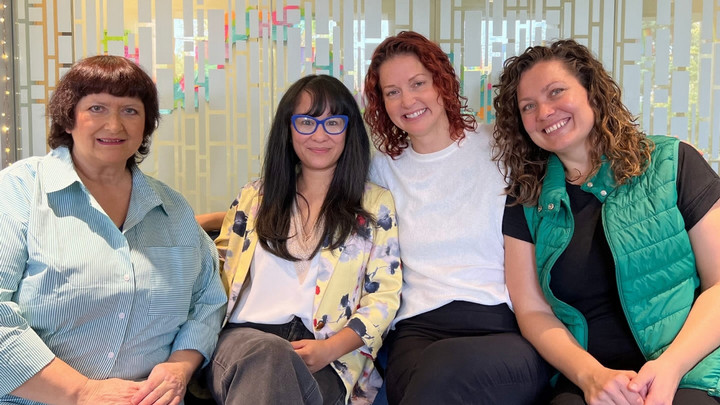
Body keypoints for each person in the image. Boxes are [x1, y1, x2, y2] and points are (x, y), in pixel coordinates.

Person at [493, 38, 720, 404]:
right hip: (591, 380)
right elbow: (532, 310)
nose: (544, 112)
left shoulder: (673, 162)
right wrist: (591, 377)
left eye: (556, 92)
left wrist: (671, 367)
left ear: (592, 93)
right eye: (528, 106)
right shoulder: (527, 198)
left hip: (690, 368)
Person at [0, 55, 227, 405]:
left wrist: (181, 366)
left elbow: (208, 301)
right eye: (97, 108)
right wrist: (81, 392)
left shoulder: (173, 209)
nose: (115, 125)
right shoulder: (18, 191)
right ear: (69, 117)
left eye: (130, 111)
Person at [363, 30, 550, 404]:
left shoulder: (500, 147)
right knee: (433, 372)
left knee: (444, 370)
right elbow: (324, 209)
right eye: (392, 92)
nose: (408, 100)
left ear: (441, 83)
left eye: (418, 83)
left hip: (503, 328)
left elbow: (574, 166)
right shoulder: (380, 171)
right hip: (417, 332)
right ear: (381, 103)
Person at [205, 74, 402, 405]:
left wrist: (330, 348)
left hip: (327, 356)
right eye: (307, 122)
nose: (320, 135)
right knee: (269, 357)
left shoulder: (375, 204)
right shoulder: (255, 197)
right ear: (289, 128)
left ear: (349, 130)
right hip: (245, 343)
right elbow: (213, 275)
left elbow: (383, 295)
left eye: (333, 122)